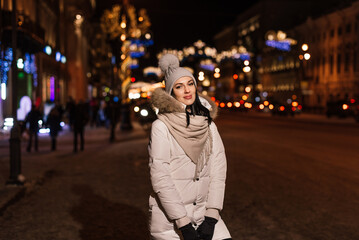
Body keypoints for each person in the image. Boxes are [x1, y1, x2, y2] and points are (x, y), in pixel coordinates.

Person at [148, 54, 232, 240]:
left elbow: (218, 171)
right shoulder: (161, 126)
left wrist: (212, 216)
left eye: (190, 83)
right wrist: (183, 223)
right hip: (171, 221)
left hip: (204, 214)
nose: (187, 90)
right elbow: (161, 177)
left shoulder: (208, 124)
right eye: (179, 86)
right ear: (171, 93)